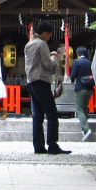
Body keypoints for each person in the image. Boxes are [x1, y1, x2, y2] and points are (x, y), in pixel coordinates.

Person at [24, 20, 70, 155]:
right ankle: (52, 144)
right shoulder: (42, 44)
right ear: (45, 33)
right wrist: (54, 57)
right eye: (49, 35)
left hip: (31, 81)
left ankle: (38, 145)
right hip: (41, 81)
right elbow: (47, 64)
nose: (49, 37)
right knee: (52, 113)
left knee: (37, 115)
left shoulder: (29, 44)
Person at [69, 46, 94, 141]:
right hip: (90, 89)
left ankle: (86, 129)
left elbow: (73, 75)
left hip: (81, 88)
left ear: (78, 54)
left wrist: (71, 80)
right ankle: (84, 128)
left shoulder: (77, 62)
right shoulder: (89, 62)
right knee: (84, 108)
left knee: (79, 109)